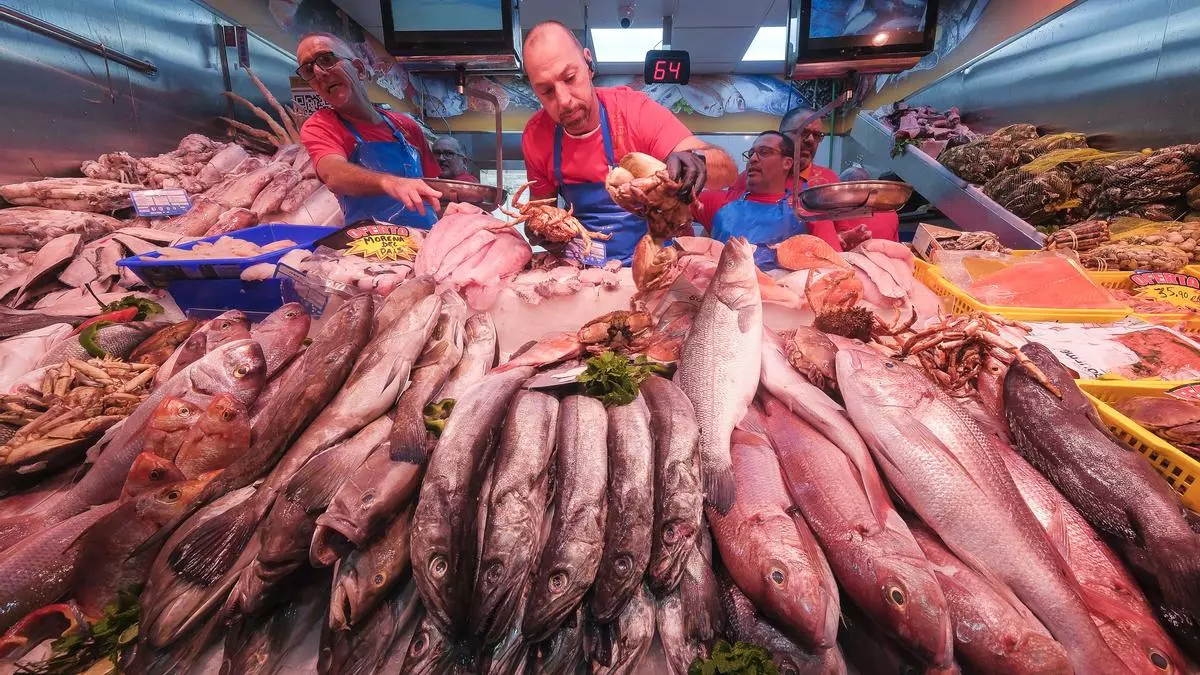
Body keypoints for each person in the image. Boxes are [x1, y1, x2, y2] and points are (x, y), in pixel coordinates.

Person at [520, 21, 736, 265]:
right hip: (586, 268)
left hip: (661, 263)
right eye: (547, 91)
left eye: (570, 78)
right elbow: (539, 209)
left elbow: (728, 171)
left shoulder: (635, 112)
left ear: (588, 64)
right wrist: (538, 230)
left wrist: (698, 161)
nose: (564, 101)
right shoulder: (537, 136)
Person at [295, 32, 442, 228]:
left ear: (359, 69)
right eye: (308, 70)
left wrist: (453, 210)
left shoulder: (406, 126)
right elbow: (333, 174)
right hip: (370, 243)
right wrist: (389, 182)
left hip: (427, 237)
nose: (319, 73)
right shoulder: (321, 126)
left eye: (326, 59)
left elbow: (432, 188)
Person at [729, 106, 899, 245]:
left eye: (817, 135)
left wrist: (846, 238)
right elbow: (729, 223)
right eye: (803, 132)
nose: (810, 140)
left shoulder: (827, 180)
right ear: (781, 136)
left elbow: (841, 230)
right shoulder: (751, 177)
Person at [694, 131, 843, 270]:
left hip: (787, 289)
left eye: (764, 152)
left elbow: (837, 269)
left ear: (787, 163)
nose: (753, 159)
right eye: (751, 154)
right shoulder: (719, 204)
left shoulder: (807, 211)